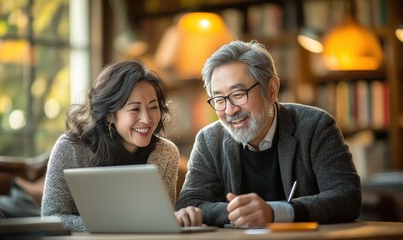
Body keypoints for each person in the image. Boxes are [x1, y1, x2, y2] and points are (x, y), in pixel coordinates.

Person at [176, 40, 361, 228]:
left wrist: (274, 212)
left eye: (238, 94)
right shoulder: (209, 140)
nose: (230, 110)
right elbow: (189, 203)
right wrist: (239, 213)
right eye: (219, 99)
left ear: (271, 90)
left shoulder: (315, 126)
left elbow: (347, 196)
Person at [41, 60, 202, 231]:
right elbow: (51, 217)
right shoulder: (71, 148)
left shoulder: (166, 153)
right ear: (110, 115)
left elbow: (162, 223)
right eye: (134, 109)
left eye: (153, 107)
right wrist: (116, 226)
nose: (147, 119)